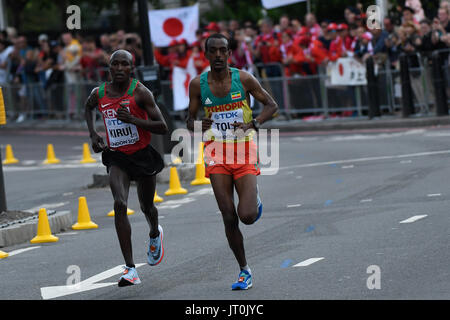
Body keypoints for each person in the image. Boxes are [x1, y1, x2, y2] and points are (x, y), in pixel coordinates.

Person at [186, 33, 278, 290]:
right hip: (215, 152)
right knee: (228, 216)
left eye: (222, 51)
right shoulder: (197, 84)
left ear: (228, 54)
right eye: (212, 51)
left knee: (246, 216)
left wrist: (252, 123)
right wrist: (197, 124)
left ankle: (254, 199)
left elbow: (272, 105)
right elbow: (188, 120)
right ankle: (244, 270)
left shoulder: (244, 78)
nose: (217, 55)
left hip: (243, 149)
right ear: (206, 54)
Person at [84, 49, 168, 287]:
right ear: (109, 68)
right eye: (115, 64)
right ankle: (130, 268)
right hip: (117, 157)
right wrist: (93, 134)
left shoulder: (141, 92)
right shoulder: (99, 93)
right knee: (120, 204)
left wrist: (133, 120)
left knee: (146, 206)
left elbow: (161, 126)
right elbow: (87, 108)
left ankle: (154, 233)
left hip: (142, 156)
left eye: (125, 65)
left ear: (132, 69)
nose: (119, 68)